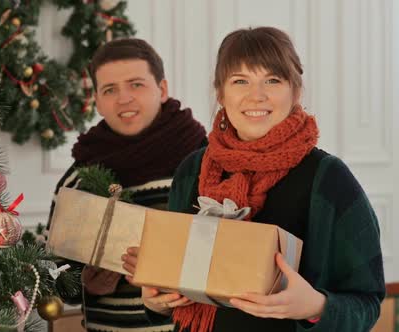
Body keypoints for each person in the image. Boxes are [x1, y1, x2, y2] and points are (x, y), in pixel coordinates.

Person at [121, 27, 385, 332]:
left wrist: (314, 307)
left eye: (272, 80)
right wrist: (156, 301)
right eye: (240, 81)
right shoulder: (192, 170)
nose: (256, 95)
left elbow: (367, 304)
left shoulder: (328, 178)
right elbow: (176, 294)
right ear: (220, 93)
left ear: (295, 91)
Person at [46, 38, 208, 331]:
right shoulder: (79, 178)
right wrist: (83, 284)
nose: (123, 99)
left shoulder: (204, 162)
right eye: (110, 90)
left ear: (162, 89)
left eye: (136, 84)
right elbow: (53, 273)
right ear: (97, 100)